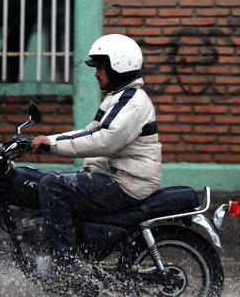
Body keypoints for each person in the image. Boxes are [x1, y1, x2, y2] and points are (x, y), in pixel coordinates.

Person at [30, 33, 162, 284]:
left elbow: (103, 139)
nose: (96, 73)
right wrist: (48, 140)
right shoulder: (119, 98)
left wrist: (52, 145)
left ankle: (67, 265)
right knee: (54, 183)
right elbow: (89, 131)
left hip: (126, 182)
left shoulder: (132, 103)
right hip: (117, 175)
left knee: (52, 185)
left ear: (119, 67)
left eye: (101, 67)